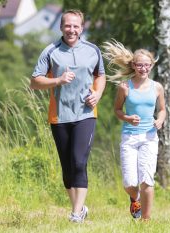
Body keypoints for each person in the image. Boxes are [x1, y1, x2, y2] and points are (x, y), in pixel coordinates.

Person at [30, 9, 106, 223]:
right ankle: (79, 208)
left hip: (86, 114)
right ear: (61, 27)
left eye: (76, 26)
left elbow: (100, 75)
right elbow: (35, 81)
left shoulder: (92, 50)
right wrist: (58, 80)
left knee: (79, 162)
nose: (71, 29)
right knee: (67, 168)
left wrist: (98, 94)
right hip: (59, 115)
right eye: (67, 26)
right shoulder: (50, 51)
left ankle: (75, 214)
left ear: (82, 28)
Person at [102, 40, 166, 220]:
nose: (143, 68)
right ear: (133, 65)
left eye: (147, 65)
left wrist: (160, 120)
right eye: (140, 65)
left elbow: (162, 110)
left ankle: (146, 220)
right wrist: (127, 117)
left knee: (147, 180)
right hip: (129, 138)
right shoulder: (125, 87)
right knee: (129, 183)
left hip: (149, 137)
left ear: (152, 65)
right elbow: (117, 109)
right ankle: (135, 198)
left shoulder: (157, 87)